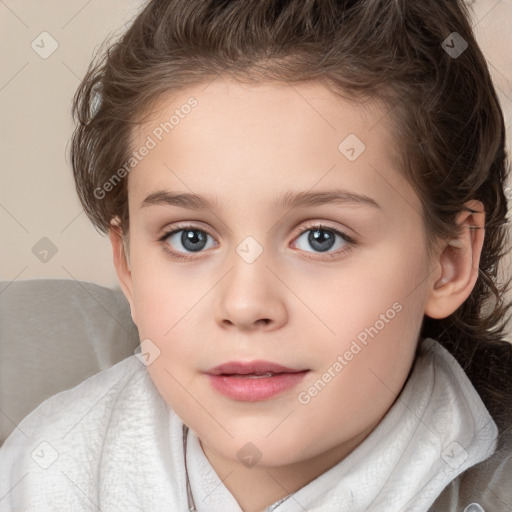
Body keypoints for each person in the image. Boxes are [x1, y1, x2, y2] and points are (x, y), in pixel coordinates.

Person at [1, 0, 511, 510]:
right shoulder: (42, 472)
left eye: (321, 238)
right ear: (129, 266)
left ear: (448, 262)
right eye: (190, 238)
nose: (245, 305)